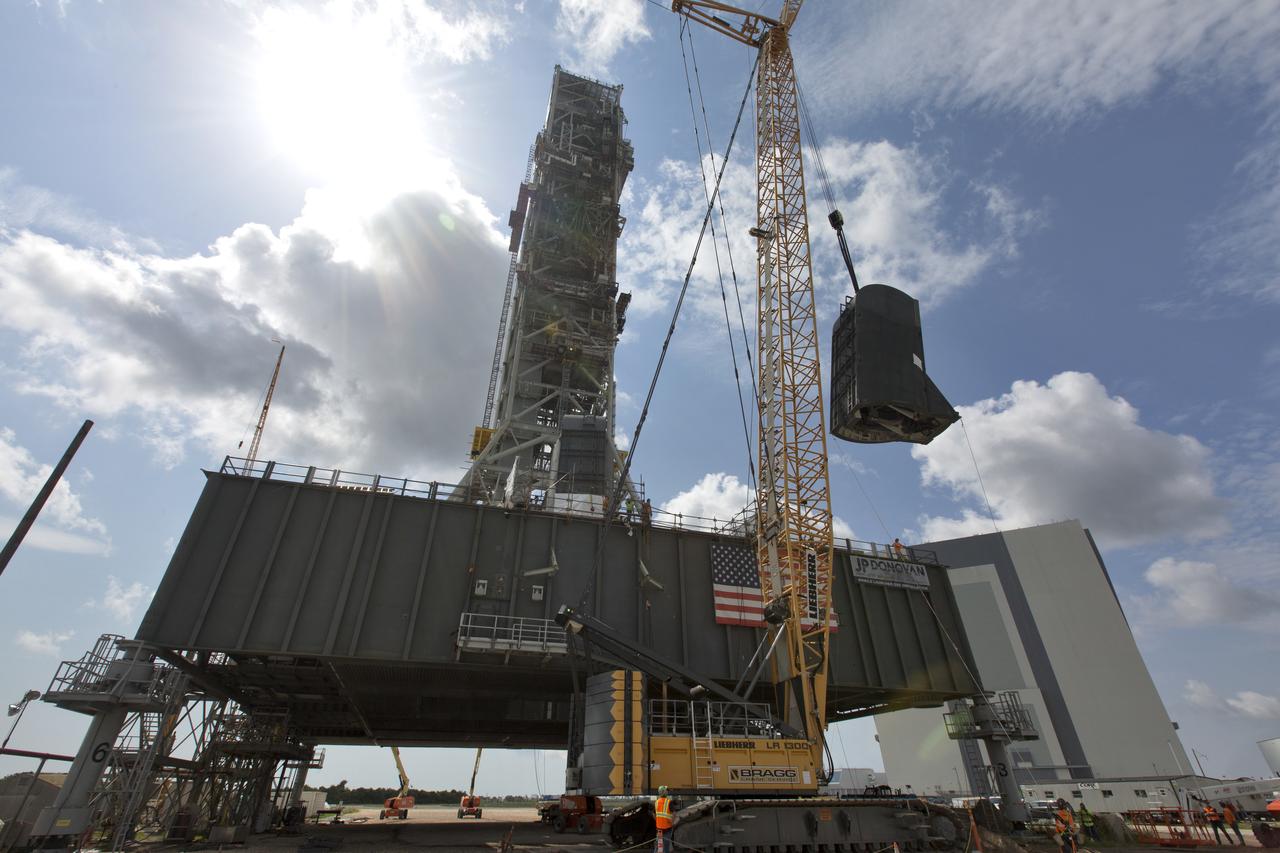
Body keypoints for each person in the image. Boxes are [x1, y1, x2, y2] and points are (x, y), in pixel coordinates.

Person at [654, 785, 673, 853]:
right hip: (667, 828)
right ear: (664, 792)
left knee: (659, 847)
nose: (668, 792)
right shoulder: (669, 802)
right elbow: (673, 815)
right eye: (667, 790)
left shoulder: (656, 802)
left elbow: (655, 815)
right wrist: (672, 823)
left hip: (659, 829)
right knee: (666, 847)